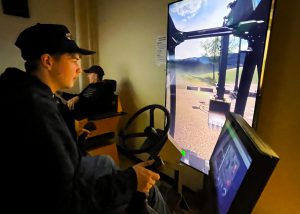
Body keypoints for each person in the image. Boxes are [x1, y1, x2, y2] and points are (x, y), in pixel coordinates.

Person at [0, 23, 170, 214]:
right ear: (47, 61)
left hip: (75, 168)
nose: (80, 70)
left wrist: (74, 139)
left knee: (107, 162)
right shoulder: (36, 109)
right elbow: (65, 199)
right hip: (69, 199)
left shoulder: (28, 94)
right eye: (74, 60)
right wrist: (131, 180)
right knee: (144, 189)